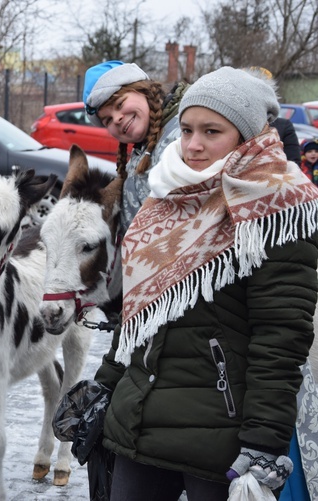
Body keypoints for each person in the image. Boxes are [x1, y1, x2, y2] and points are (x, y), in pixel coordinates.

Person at [92, 67, 318, 500]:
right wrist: (105, 385)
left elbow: (281, 338)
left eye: (212, 131)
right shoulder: (167, 194)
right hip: (139, 422)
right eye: (188, 129)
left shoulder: (278, 206)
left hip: (224, 438)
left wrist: (263, 441)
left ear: (247, 135)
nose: (193, 145)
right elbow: (141, 312)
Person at [83, 60, 189, 237]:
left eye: (120, 104)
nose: (116, 118)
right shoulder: (140, 152)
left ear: (143, 90)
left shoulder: (184, 134)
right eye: (107, 120)